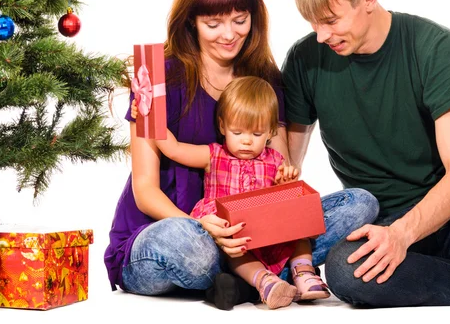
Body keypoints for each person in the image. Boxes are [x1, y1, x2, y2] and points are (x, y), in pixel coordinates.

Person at [104, 0, 379, 311]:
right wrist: (202, 226)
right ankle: (261, 278)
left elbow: (277, 169)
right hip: (175, 230)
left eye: (240, 20)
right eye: (214, 23)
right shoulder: (156, 76)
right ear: (191, 21)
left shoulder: (264, 80)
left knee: (359, 204)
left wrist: (286, 181)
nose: (229, 34)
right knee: (191, 247)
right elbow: (145, 191)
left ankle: (247, 279)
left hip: (250, 234)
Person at [282, 0, 450, 307]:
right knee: (341, 270)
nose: (321, 35)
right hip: (378, 228)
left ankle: (439, 273)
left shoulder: (435, 47)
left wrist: (402, 235)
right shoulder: (306, 60)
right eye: (312, 23)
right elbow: (284, 169)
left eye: (331, 20)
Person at [134, 76, 330, 309]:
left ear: (269, 132)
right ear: (222, 126)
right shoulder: (214, 155)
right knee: (235, 251)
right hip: (235, 233)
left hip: (267, 230)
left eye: (256, 134)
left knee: (300, 229)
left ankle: (304, 272)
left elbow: (282, 200)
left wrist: (283, 181)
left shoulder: (274, 159)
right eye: (237, 132)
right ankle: (265, 282)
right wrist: (151, 119)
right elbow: (174, 150)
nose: (246, 141)